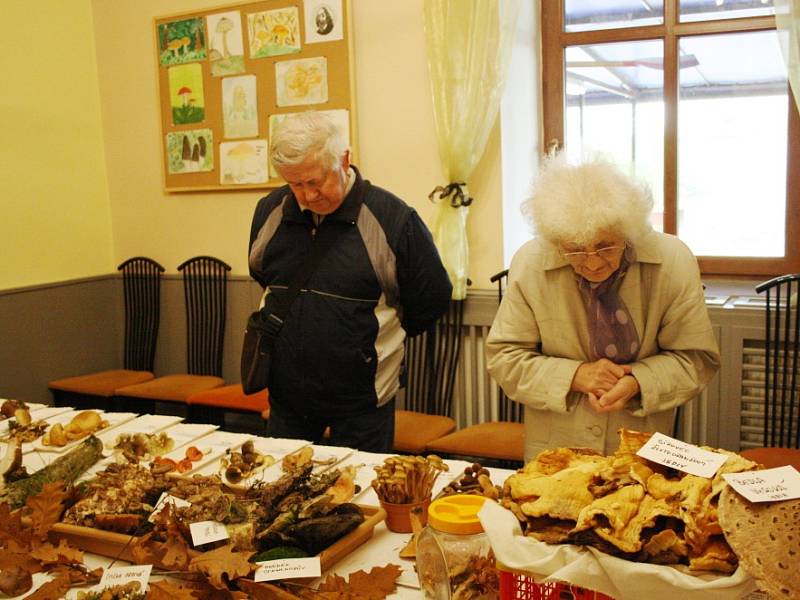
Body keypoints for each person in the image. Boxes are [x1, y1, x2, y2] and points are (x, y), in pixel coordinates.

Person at [485, 154, 720, 459]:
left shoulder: (673, 260)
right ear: (556, 241)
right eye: (576, 250)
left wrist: (638, 381)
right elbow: (505, 358)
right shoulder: (530, 263)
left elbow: (696, 358)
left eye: (605, 246)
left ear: (628, 231)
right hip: (557, 447)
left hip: (641, 443)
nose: (593, 262)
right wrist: (575, 375)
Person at [249, 111, 452, 452]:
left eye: (315, 181)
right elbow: (262, 275)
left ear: (344, 159)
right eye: (294, 184)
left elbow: (430, 299)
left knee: (360, 499)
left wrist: (366, 350)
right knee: (283, 495)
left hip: (363, 401)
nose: (306, 196)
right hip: (288, 398)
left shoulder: (392, 219)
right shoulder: (270, 211)